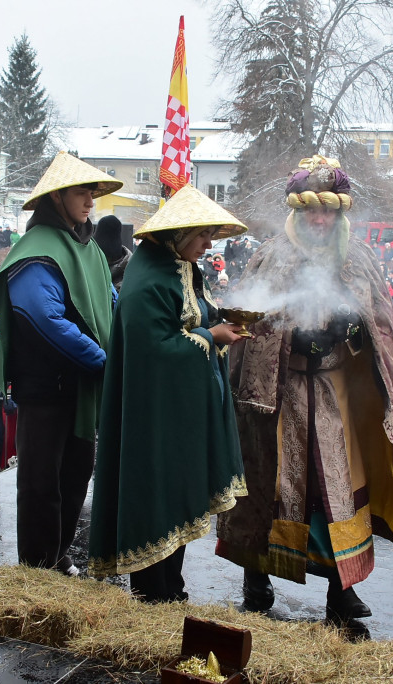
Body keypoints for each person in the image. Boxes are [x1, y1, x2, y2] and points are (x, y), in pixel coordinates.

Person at [216, 156, 393, 629]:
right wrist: (290, 338)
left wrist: (353, 331)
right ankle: (255, 576)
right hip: (279, 393)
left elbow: (382, 322)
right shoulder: (270, 255)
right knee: (270, 486)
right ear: (297, 211)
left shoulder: (358, 257)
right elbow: (246, 319)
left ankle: (341, 590)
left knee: (336, 489)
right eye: (312, 211)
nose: (321, 220)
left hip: (337, 391)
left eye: (329, 211)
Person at [89, 185, 248, 602]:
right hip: (154, 415)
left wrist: (225, 324)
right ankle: (152, 594)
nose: (209, 244)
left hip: (181, 410)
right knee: (156, 496)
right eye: (203, 234)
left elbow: (193, 319)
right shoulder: (147, 281)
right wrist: (211, 336)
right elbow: (154, 351)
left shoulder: (183, 268)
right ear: (179, 234)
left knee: (178, 497)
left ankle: (171, 589)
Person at [0, 152, 122, 574]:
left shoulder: (89, 248)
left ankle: (58, 555)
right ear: (57, 196)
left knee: (76, 476)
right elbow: (42, 317)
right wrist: (102, 360)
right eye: (82, 193)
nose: (90, 202)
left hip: (81, 385)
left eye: (93, 193)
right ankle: (37, 568)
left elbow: (112, 304)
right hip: (45, 388)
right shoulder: (37, 249)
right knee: (41, 482)